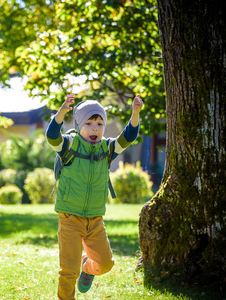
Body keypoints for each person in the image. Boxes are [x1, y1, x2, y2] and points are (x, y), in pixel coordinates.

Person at [46, 94, 143, 299]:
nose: (95, 128)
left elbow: (128, 136)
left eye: (100, 123)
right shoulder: (69, 146)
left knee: (106, 264)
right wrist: (61, 113)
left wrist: (135, 114)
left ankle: (87, 268)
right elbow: (52, 136)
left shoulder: (107, 148)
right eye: (89, 123)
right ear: (79, 125)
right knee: (68, 271)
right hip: (70, 219)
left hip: (95, 220)